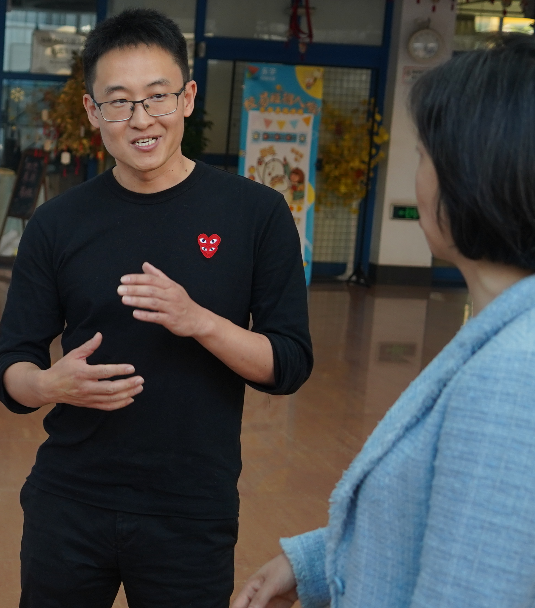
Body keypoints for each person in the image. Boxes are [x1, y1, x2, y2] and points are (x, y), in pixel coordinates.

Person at [0, 9, 313, 607]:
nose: (141, 120)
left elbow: (288, 364)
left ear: (187, 97)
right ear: (93, 112)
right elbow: (12, 366)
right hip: (70, 499)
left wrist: (199, 321)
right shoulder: (57, 223)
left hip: (190, 509)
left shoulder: (256, 214)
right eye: (119, 102)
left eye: (157, 97)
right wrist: (49, 384)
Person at [233, 35, 535, 608]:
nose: (418, 176)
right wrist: (313, 563)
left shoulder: (514, 375)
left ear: (472, 174)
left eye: (423, 156)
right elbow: (435, 516)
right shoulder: (502, 337)